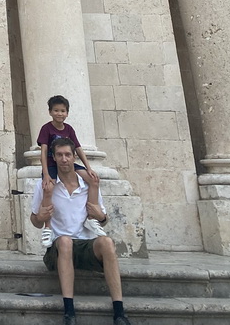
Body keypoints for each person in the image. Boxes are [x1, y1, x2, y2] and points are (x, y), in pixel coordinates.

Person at [30, 136, 133, 325]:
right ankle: (69, 312)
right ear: (53, 157)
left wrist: (101, 217)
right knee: (65, 241)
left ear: (74, 157)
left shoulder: (88, 184)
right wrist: (41, 218)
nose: (64, 159)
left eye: (68, 154)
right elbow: (35, 221)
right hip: (58, 247)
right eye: (59, 155)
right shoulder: (45, 186)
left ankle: (119, 312)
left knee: (107, 243)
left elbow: (103, 219)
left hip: (85, 244)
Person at [38, 94, 104, 245]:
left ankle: (91, 219)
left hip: (69, 163)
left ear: (67, 113)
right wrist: (46, 174)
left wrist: (89, 168)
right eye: (56, 110)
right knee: (48, 189)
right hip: (52, 164)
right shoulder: (46, 129)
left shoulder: (69, 129)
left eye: (62, 111)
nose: (59, 114)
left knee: (93, 180)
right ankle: (48, 228)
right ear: (50, 112)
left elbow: (78, 149)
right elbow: (43, 151)